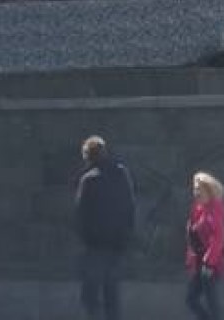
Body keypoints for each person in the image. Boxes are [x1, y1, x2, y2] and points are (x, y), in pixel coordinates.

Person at [74, 135, 136, 320]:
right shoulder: (122, 173)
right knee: (112, 293)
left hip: (95, 244)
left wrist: (85, 237)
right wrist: (127, 234)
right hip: (118, 242)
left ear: (88, 156)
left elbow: (81, 213)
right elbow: (130, 207)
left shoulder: (88, 180)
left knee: (90, 295)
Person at [185, 172, 224, 320]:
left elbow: (218, 238)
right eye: (195, 189)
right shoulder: (198, 210)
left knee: (211, 303)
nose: (196, 193)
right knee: (191, 299)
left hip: (209, 266)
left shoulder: (213, 211)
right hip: (199, 264)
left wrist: (209, 263)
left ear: (209, 192)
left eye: (200, 189)